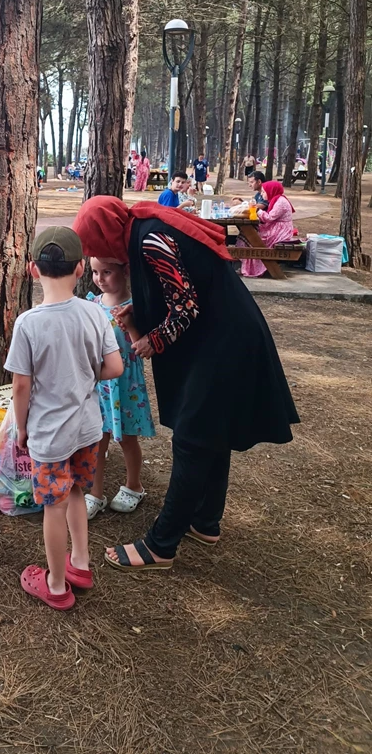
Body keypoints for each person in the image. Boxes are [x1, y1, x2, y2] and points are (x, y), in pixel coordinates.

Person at [72, 195, 299, 573]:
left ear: (106, 234)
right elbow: (177, 290)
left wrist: (153, 340)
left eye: (95, 246)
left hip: (224, 340)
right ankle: (205, 522)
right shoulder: (144, 226)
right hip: (224, 332)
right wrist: (140, 313)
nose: (100, 256)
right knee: (212, 430)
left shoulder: (148, 239)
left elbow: (185, 305)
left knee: (193, 436)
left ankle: (161, 545)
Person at [5, 226, 123, 610]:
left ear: (32, 270)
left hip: (50, 435)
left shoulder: (28, 323)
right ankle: (81, 563)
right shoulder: (94, 312)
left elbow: (21, 387)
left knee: (52, 505)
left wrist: (21, 429)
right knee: (75, 491)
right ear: (78, 270)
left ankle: (56, 585)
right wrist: (84, 375)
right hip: (88, 430)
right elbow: (115, 367)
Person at [84, 258, 155, 519]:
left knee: (126, 438)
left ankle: (134, 485)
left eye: (107, 272)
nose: (100, 278)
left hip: (125, 384)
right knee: (96, 439)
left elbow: (142, 348)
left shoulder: (135, 307)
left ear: (125, 271)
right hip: (99, 384)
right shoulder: (91, 304)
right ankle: (96, 492)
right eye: (94, 272)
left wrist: (131, 325)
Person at [240, 181, 296, 278]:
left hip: (280, 231)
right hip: (275, 228)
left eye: (263, 192)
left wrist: (257, 210)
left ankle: (254, 268)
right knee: (247, 234)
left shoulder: (281, 202)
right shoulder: (276, 199)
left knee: (254, 238)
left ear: (271, 191)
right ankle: (245, 264)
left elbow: (269, 218)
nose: (261, 194)